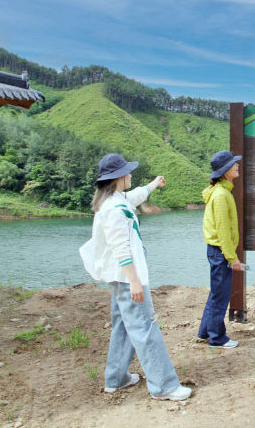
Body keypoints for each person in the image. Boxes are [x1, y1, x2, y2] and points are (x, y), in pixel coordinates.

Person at [79, 153, 191, 400]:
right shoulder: (114, 209)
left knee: (124, 325)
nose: (130, 174)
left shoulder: (115, 200)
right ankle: (164, 386)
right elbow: (121, 248)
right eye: (127, 172)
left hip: (119, 277)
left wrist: (153, 184)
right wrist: (134, 281)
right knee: (144, 327)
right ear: (119, 177)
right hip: (126, 276)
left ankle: (116, 378)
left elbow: (136, 196)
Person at [197, 150, 243, 348]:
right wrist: (232, 258)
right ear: (225, 171)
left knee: (216, 293)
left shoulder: (221, 192)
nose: (237, 166)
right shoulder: (222, 195)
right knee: (221, 296)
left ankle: (205, 331)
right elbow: (224, 230)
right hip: (220, 253)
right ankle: (217, 338)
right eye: (234, 164)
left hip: (216, 251)